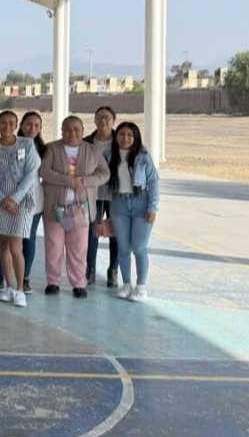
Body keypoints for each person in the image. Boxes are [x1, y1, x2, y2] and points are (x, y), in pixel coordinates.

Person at [40, 116, 110, 299]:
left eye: (76, 129)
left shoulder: (92, 151)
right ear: (62, 130)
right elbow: (44, 172)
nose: (72, 133)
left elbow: (105, 174)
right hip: (54, 208)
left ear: (83, 130)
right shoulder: (52, 148)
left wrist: (85, 182)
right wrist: (69, 181)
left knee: (78, 248)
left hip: (81, 208)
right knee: (54, 246)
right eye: (68, 129)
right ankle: (53, 282)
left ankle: (79, 284)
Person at [0, 111, 41, 309]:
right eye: (3, 122)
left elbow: (31, 174)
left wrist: (15, 199)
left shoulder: (26, 145)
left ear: (16, 124)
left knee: (16, 247)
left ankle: (20, 289)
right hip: (1, 203)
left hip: (21, 203)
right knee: (4, 244)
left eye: (11, 122)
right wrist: (3, 199)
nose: (7, 126)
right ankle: (8, 286)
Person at [108, 121, 160, 302]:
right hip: (119, 204)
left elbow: (153, 182)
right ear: (116, 136)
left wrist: (153, 207)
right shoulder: (110, 155)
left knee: (139, 247)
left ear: (136, 137)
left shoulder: (143, 156)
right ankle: (127, 284)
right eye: (122, 134)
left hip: (141, 202)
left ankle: (141, 286)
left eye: (130, 135)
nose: (125, 138)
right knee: (123, 247)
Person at [85, 106, 120, 286]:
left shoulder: (121, 140)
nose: (103, 120)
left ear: (113, 120)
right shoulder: (87, 142)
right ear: (95, 120)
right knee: (92, 231)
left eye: (107, 117)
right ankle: (90, 268)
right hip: (93, 193)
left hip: (115, 193)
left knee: (116, 232)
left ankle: (113, 269)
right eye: (99, 117)